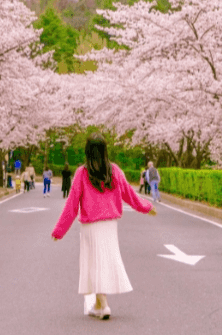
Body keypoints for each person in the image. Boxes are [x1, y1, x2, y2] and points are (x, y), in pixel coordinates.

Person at [52, 132, 157, 320]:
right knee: (104, 262)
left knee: (94, 263)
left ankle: (103, 305)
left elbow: (72, 204)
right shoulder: (114, 170)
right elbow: (129, 194)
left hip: (90, 226)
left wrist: (59, 231)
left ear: (87, 151)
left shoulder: (82, 173)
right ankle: (100, 304)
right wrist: (146, 207)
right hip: (110, 225)